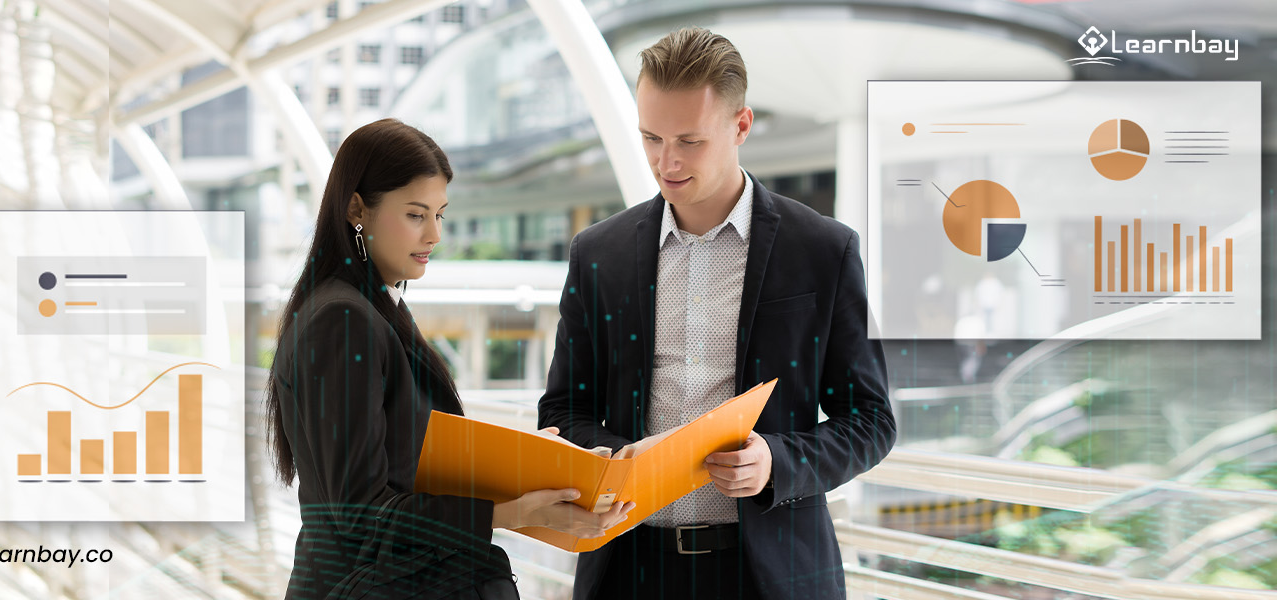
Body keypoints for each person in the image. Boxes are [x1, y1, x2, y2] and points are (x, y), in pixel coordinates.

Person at [537, 28, 897, 599]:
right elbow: (563, 408)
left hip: (769, 575)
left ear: (741, 126)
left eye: (689, 140)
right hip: (629, 572)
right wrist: (606, 459)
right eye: (651, 137)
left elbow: (872, 421)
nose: (666, 161)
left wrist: (776, 460)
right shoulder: (597, 255)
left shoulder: (823, 251)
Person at [265, 119, 634, 599]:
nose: (435, 234)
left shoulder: (372, 306)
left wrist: (521, 470)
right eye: (416, 215)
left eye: (440, 214)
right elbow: (361, 514)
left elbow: (406, 467)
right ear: (357, 208)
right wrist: (510, 512)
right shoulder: (343, 320)